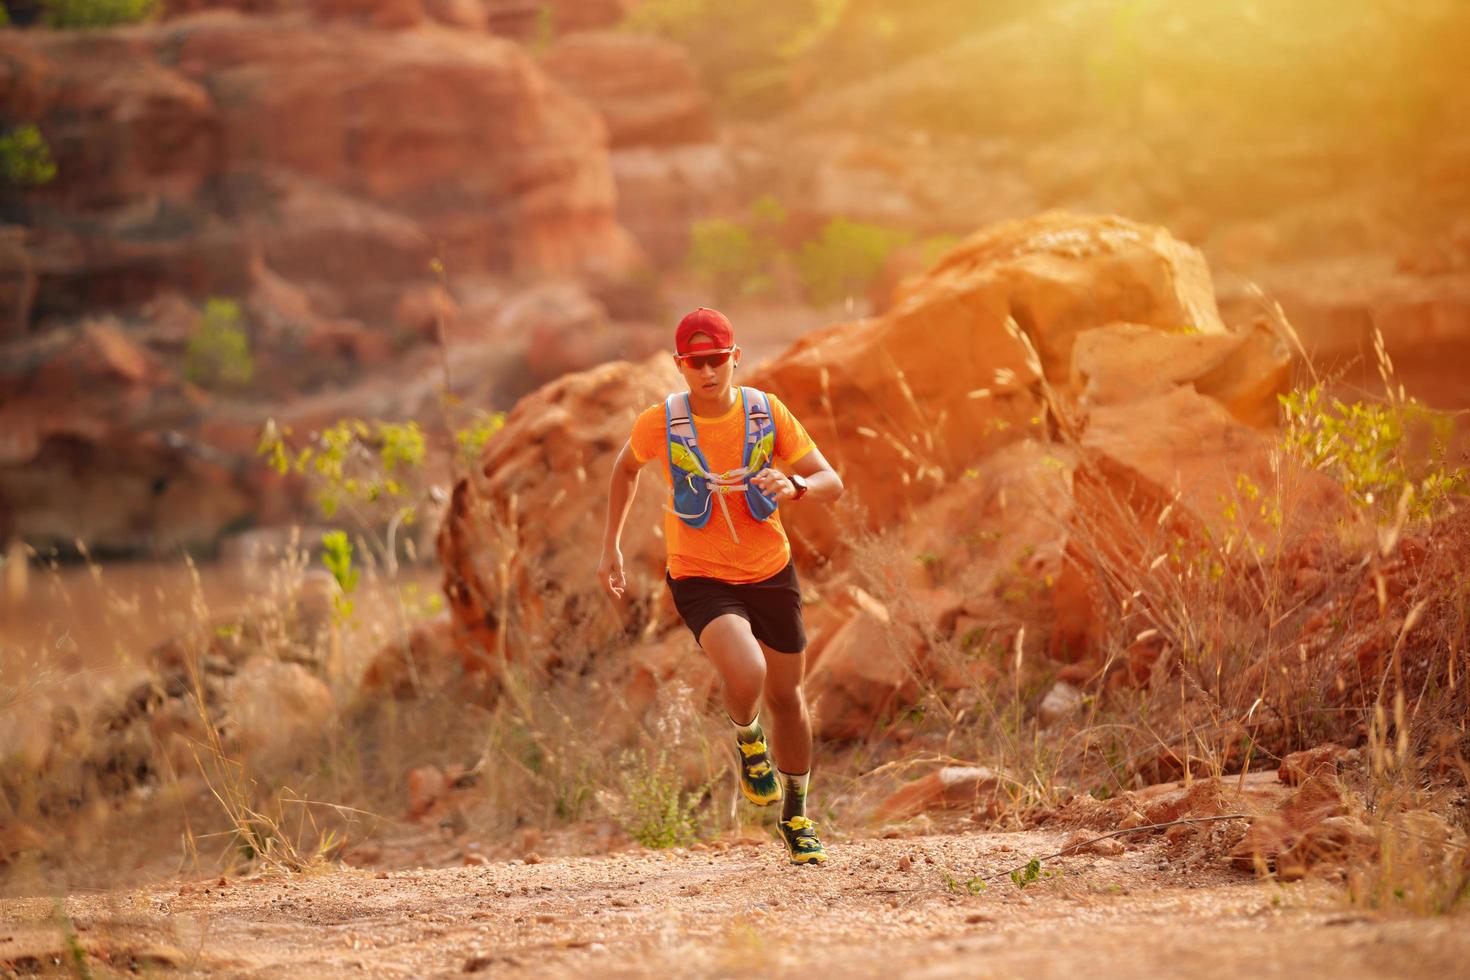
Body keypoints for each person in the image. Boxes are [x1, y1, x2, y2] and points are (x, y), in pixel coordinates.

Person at [596, 308, 844, 865]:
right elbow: (624, 468)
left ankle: (797, 815)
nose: (707, 372)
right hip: (699, 571)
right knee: (749, 671)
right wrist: (609, 544)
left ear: (735, 358)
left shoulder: (766, 412)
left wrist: (795, 483)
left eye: (716, 360)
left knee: (788, 695)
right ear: (680, 366)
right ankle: (746, 733)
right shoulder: (662, 421)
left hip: (771, 570)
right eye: (695, 362)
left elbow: (833, 482)